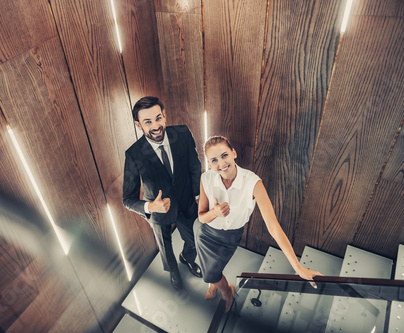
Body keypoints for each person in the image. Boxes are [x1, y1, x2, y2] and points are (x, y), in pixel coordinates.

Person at [196, 136, 321, 311]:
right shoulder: (206, 178)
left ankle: (227, 293)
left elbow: (273, 226)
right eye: (214, 160)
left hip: (230, 237)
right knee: (211, 272)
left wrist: (298, 267)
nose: (221, 163)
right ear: (209, 163)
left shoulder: (253, 182)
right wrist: (214, 213)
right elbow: (201, 217)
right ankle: (219, 286)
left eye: (224, 155)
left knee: (211, 272)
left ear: (234, 153)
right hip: (206, 234)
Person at [123, 96, 202, 290]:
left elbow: (194, 166)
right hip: (158, 211)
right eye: (147, 122)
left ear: (164, 117)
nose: (156, 125)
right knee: (166, 249)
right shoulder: (133, 154)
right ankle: (174, 272)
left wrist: (199, 195)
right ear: (138, 125)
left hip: (186, 202)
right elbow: (127, 199)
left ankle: (187, 258)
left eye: (158, 118)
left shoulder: (183, 133)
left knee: (194, 241)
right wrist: (150, 207)